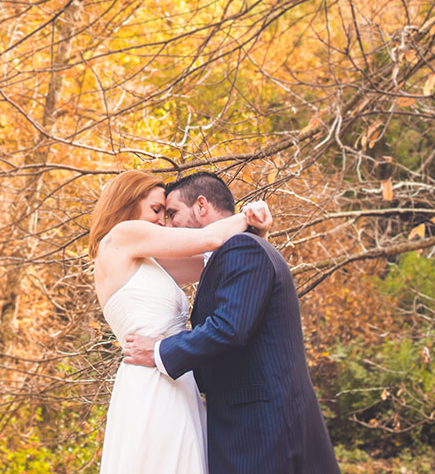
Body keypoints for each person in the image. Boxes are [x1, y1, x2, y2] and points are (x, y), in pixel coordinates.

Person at [122, 172, 340, 474]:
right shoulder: (235, 252)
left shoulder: (242, 248)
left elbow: (229, 328)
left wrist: (160, 351)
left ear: (201, 206)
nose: (167, 225)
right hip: (250, 423)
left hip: (263, 427)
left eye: (171, 214)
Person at [89, 171, 271, 474]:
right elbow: (209, 238)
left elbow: (212, 259)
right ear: (127, 204)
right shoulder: (123, 235)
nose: (163, 221)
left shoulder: (145, 262)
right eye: (156, 210)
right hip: (152, 381)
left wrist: (257, 236)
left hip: (174, 377)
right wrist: (250, 214)